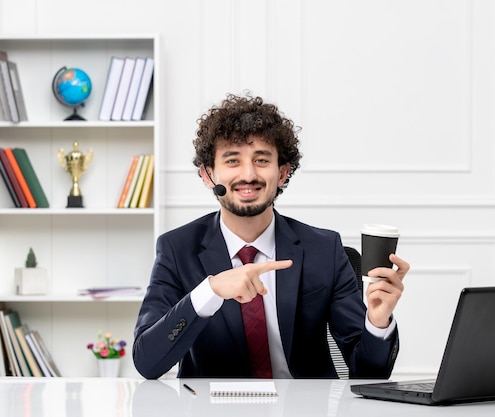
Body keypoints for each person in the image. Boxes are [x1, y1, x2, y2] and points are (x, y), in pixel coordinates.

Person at [132, 93, 410, 379]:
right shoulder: (177, 249)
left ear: (282, 173)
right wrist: (210, 291)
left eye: (262, 160)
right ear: (208, 175)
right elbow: (147, 362)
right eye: (232, 161)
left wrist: (377, 323)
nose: (249, 174)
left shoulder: (324, 249)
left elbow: (368, 373)